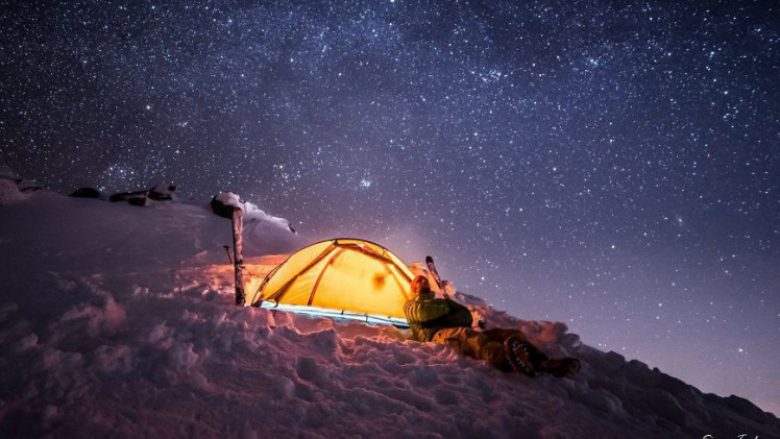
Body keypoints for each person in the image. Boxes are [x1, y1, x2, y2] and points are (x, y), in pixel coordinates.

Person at [404, 275, 580, 377]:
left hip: (450, 329)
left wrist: (448, 308)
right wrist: (447, 309)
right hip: (435, 335)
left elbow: (465, 316)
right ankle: (506, 359)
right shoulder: (410, 305)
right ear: (413, 289)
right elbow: (423, 313)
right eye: (420, 285)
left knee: (505, 333)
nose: (423, 286)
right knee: (467, 335)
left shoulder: (439, 302)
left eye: (425, 284)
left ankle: (543, 362)